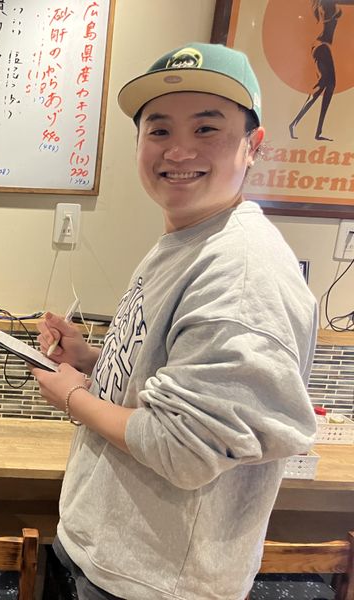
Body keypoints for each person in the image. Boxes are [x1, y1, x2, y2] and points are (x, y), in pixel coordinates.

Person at [33, 43, 318, 600]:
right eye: (159, 130)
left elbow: (180, 448)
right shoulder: (189, 238)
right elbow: (171, 379)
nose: (179, 150)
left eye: (206, 128)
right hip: (110, 557)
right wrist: (90, 359)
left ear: (253, 145)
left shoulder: (242, 271)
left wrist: (71, 396)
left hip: (157, 583)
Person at [289, 0, 354, 141]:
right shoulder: (325, 4)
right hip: (321, 46)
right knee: (321, 86)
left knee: (328, 86)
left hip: (324, 46)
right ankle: (294, 124)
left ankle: (316, 131)